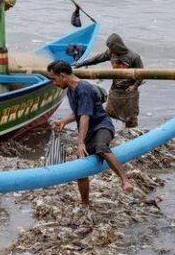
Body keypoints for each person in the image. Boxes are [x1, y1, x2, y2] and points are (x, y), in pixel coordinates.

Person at [48, 60, 134, 205]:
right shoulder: (70, 91)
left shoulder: (84, 88)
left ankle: (125, 180)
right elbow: (79, 113)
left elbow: (85, 116)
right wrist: (63, 121)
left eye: (54, 79)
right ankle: (85, 202)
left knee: (101, 147)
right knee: (81, 171)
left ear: (62, 76)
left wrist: (80, 142)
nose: (54, 83)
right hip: (89, 131)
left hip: (102, 126)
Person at [73, 33, 144, 128]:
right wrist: (82, 64)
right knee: (109, 112)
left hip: (129, 92)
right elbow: (97, 59)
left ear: (118, 46)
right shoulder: (111, 53)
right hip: (115, 89)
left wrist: (134, 86)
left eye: (111, 47)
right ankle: (108, 128)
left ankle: (130, 133)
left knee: (130, 117)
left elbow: (142, 74)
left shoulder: (134, 57)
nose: (110, 50)